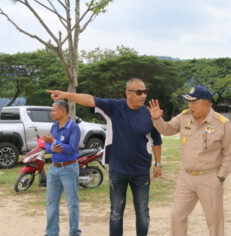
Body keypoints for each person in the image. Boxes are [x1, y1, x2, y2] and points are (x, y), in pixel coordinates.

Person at [46, 77, 162, 236]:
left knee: (142, 212)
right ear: (128, 93)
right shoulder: (115, 107)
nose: (143, 96)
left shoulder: (149, 114)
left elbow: (157, 140)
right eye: (139, 92)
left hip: (141, 171)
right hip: (118, 170)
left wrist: (158, 164)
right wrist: (66, 95)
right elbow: (90, 100)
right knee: (116, 212)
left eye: (145, 92)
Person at [147, 85, 231, 236]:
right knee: (177, 216)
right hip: (186, 178)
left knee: (214, 221)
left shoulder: (222, 123)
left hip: (210, 178)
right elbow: (167, 129)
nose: (190, 105)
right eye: (189, 102)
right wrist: (157, 119)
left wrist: (220, 176)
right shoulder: (184, 117)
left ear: (207, 103)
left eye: (194, 102)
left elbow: (230, 153)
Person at [42, 100, 82, 236]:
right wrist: (52, 146)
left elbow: (72, 149)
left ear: (63, 111)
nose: (52, 113)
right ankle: (51, 233)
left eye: (54, 110)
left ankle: (75, 233)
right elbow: (48, 147)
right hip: (54, 168)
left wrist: (55, 143)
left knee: (72, 203)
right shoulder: (54, 126)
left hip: (69, 169)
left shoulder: (73, 128)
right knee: (51, 203)